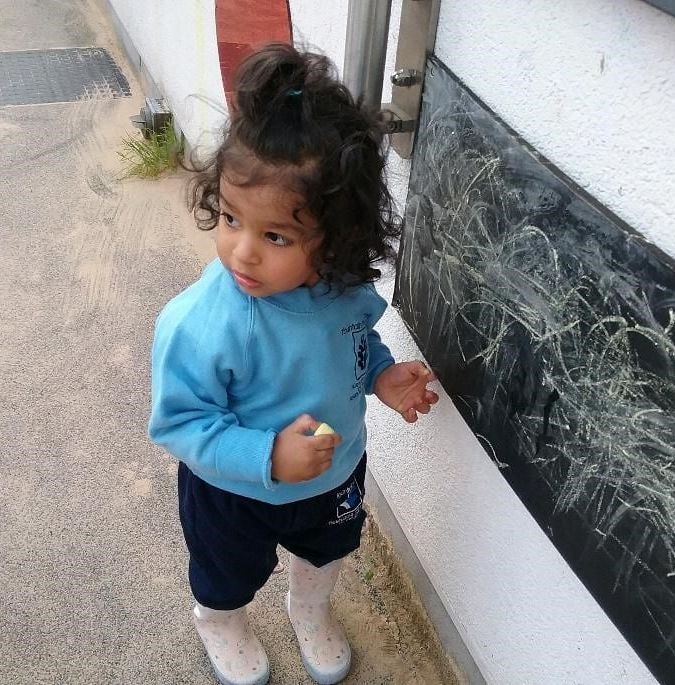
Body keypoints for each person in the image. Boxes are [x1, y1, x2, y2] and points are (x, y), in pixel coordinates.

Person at [148, 42, 439, 685]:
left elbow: (356, 346)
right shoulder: (200, 325)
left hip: (334, 469)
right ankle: (220, 624)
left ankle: (309, 610)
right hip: (233, 491)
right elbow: (180, 424)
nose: (242, 253)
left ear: (335, 240)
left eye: (275, 236)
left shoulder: (346, 295)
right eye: (230, 218)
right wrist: (266, 458)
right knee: (227, 574)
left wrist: (383, 378)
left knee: (328, 550)